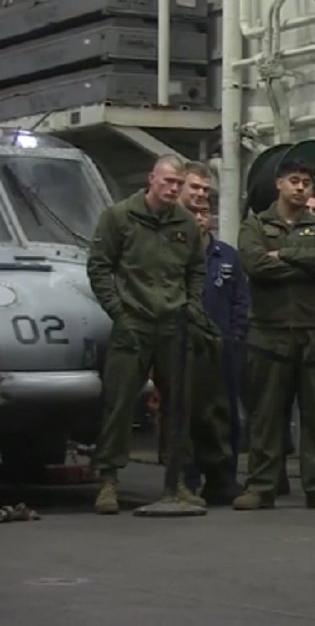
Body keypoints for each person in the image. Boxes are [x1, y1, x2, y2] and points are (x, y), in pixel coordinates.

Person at [86, 154, 207, 514]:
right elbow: (99, 266)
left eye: (178, 183)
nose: (173, 188)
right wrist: (118, 311)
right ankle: (108, 480)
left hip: (174, 324)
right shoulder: (120, 217)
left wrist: (191, 306)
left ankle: (176, 481)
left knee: (178, 405)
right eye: (168, 181)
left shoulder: (186, 224)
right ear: (152, 179)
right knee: (119, 403)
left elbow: (196, 269)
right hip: (133, 323)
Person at [233, 159, 315, 511]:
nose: (300, 187)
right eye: (294, 180)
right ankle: (261, 485)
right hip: (269, 333)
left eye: (306, 182)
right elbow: (255, 265)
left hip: (313, 333)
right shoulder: (255, 225)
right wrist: (307, 266)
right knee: (265, 415)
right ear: (279, 184)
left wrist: (283, 254)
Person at [179, 161, 246, 504]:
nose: (201, 213)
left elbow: (241, 300)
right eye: (195, 189)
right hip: (185, 343)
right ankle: (186, 479)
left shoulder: (227, 256)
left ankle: (223, 478)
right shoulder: (172, 249)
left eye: (206, 200)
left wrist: (235, 335)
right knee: (186, 411)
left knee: (225, 413)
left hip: (223, 346)